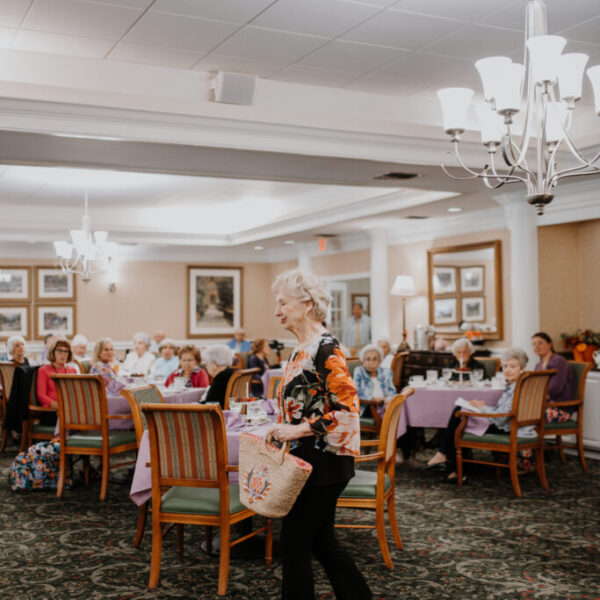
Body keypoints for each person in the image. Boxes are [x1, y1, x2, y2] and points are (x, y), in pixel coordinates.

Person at [271, 268, 372, 600]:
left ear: (307, 304)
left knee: (294, 544)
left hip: (323, 462)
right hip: (313, 461)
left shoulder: (325, 347)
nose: (277, 311)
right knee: (321, 541)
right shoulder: (302, 347)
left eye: (283, 303)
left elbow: (347, 408)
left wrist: (296, 429)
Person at [426, 348, 533, 482]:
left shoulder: (515, 388)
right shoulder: (519, 385)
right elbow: (503, 411)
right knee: (461, 413)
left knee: (459, 413)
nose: (508, 370)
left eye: (513, 367)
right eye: (505, 366)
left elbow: (501, 419)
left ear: (522, 368)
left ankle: (446, 460)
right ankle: (452, 465)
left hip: (507, 428)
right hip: (510, 424)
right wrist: (482, 406)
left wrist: (482, 408)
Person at [532, 332, 574, 422]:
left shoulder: (558, 361)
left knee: (524, 414)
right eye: (534, 344)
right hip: (543, 405)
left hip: (560, 409)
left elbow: (555, 388)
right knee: (515, 411)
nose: (536, 346)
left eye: (540, 343)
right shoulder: (538, 365)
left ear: (549, 344)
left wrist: (536, 398)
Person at [36, 339, 77, 426]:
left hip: (70, 410)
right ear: (53, 352)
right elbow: (41, 396)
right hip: (51, 411)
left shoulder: (73, 370)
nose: (63, 354)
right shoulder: (43, 370)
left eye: (66, 351)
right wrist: (60, 406)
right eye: (59, 351)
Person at [353, 344, 396, 416]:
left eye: (375, 359)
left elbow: (392, 392)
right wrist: (372, 399)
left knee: (398, 406)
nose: (371, 363)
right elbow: (355, 394)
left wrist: (387, 399)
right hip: (368, 407)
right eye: (368, 359)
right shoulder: (359, 371)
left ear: (380, 361)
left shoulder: (386, 372)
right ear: (364, 361)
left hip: (385, 405)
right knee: (391, 412)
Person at [203, 344, 235, 408]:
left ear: (215, 364)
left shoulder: (220, 379)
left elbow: (210, 404)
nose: (206, 367)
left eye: (207, 363)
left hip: (218, 415)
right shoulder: (232, 373)